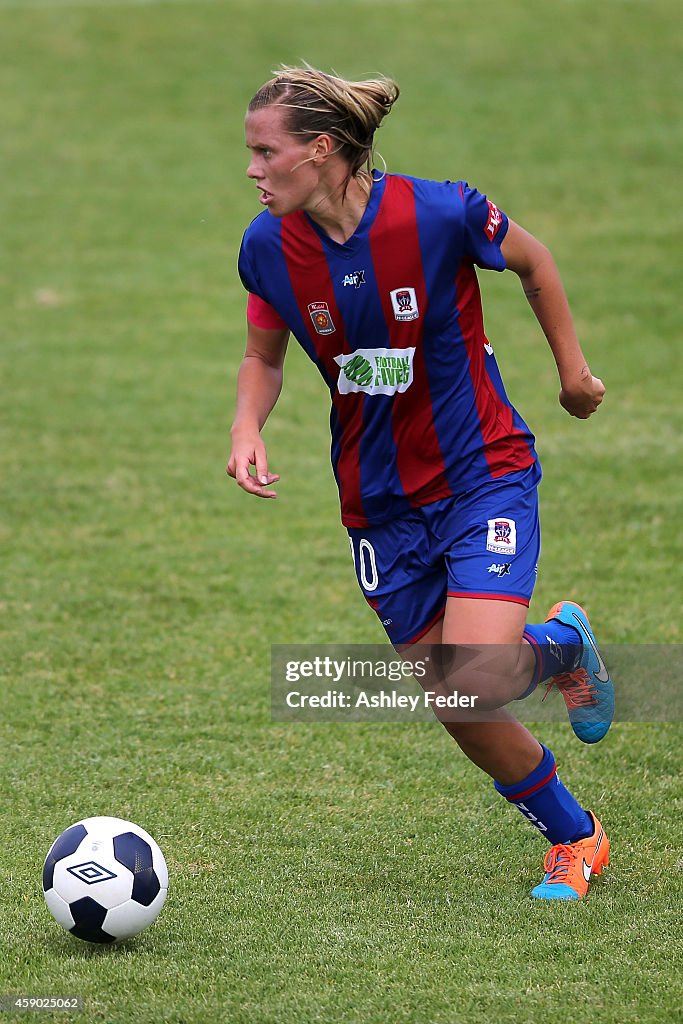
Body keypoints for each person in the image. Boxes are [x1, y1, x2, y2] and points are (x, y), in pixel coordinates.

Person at [227, 65, 614, 900]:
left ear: (321, 149)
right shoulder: (266, 248)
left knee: (471, 672)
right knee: (454, 697)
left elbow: (533, 261)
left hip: (481, 471)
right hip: (377, 503)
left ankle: (560, 648)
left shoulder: (438, 213)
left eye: (266, 152)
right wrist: (245, 425)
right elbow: (264, 354)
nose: (252, 170)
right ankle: (575, 836)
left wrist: (572, 374)